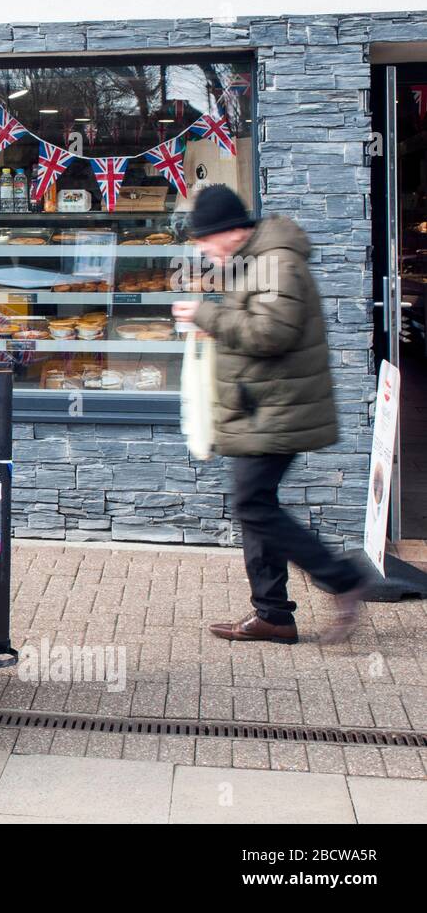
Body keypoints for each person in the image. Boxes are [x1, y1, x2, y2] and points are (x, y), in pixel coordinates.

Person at [172, 185, 366, 645]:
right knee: (255, 505)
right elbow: (251, 311)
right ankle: (273, 614)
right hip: (258, 405)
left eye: (205, 240)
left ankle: (343, 578)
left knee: (251, 503)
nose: (201, 249)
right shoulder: (253, 258)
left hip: (279, 408)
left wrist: (206, 316)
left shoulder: (277, 260)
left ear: (231, 232)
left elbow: (270, 332)